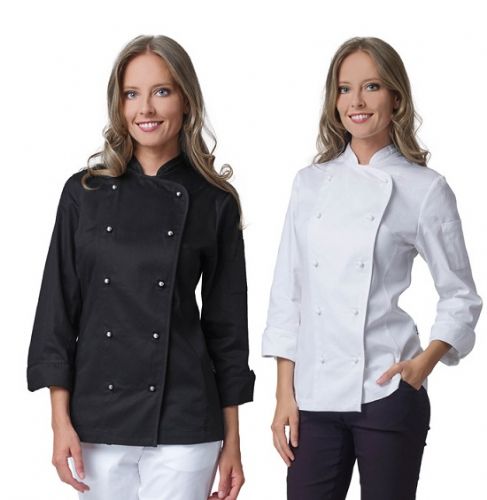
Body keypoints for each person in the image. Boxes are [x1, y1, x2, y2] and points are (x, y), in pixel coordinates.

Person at [27, 34, 255, 500]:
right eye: (132, 94)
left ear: (186, 100)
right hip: (98, 415)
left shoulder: (214, 200)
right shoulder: (83, 193)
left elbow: (228, 329)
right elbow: (57, 311)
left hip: (186, 415)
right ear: (119, 104)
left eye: (161, 91)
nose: (145, 109)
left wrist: (232, 441)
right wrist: (59, 422)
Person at [262, 36, 482, 500]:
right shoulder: (309, 183)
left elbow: (460, 295)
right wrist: (284, 394)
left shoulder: (425, 188)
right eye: (345, 89)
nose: (356, 102)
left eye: (372, 87)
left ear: (396, 99)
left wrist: (422, 365)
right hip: (313, 395)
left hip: (386, 391)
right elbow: (288, 294)